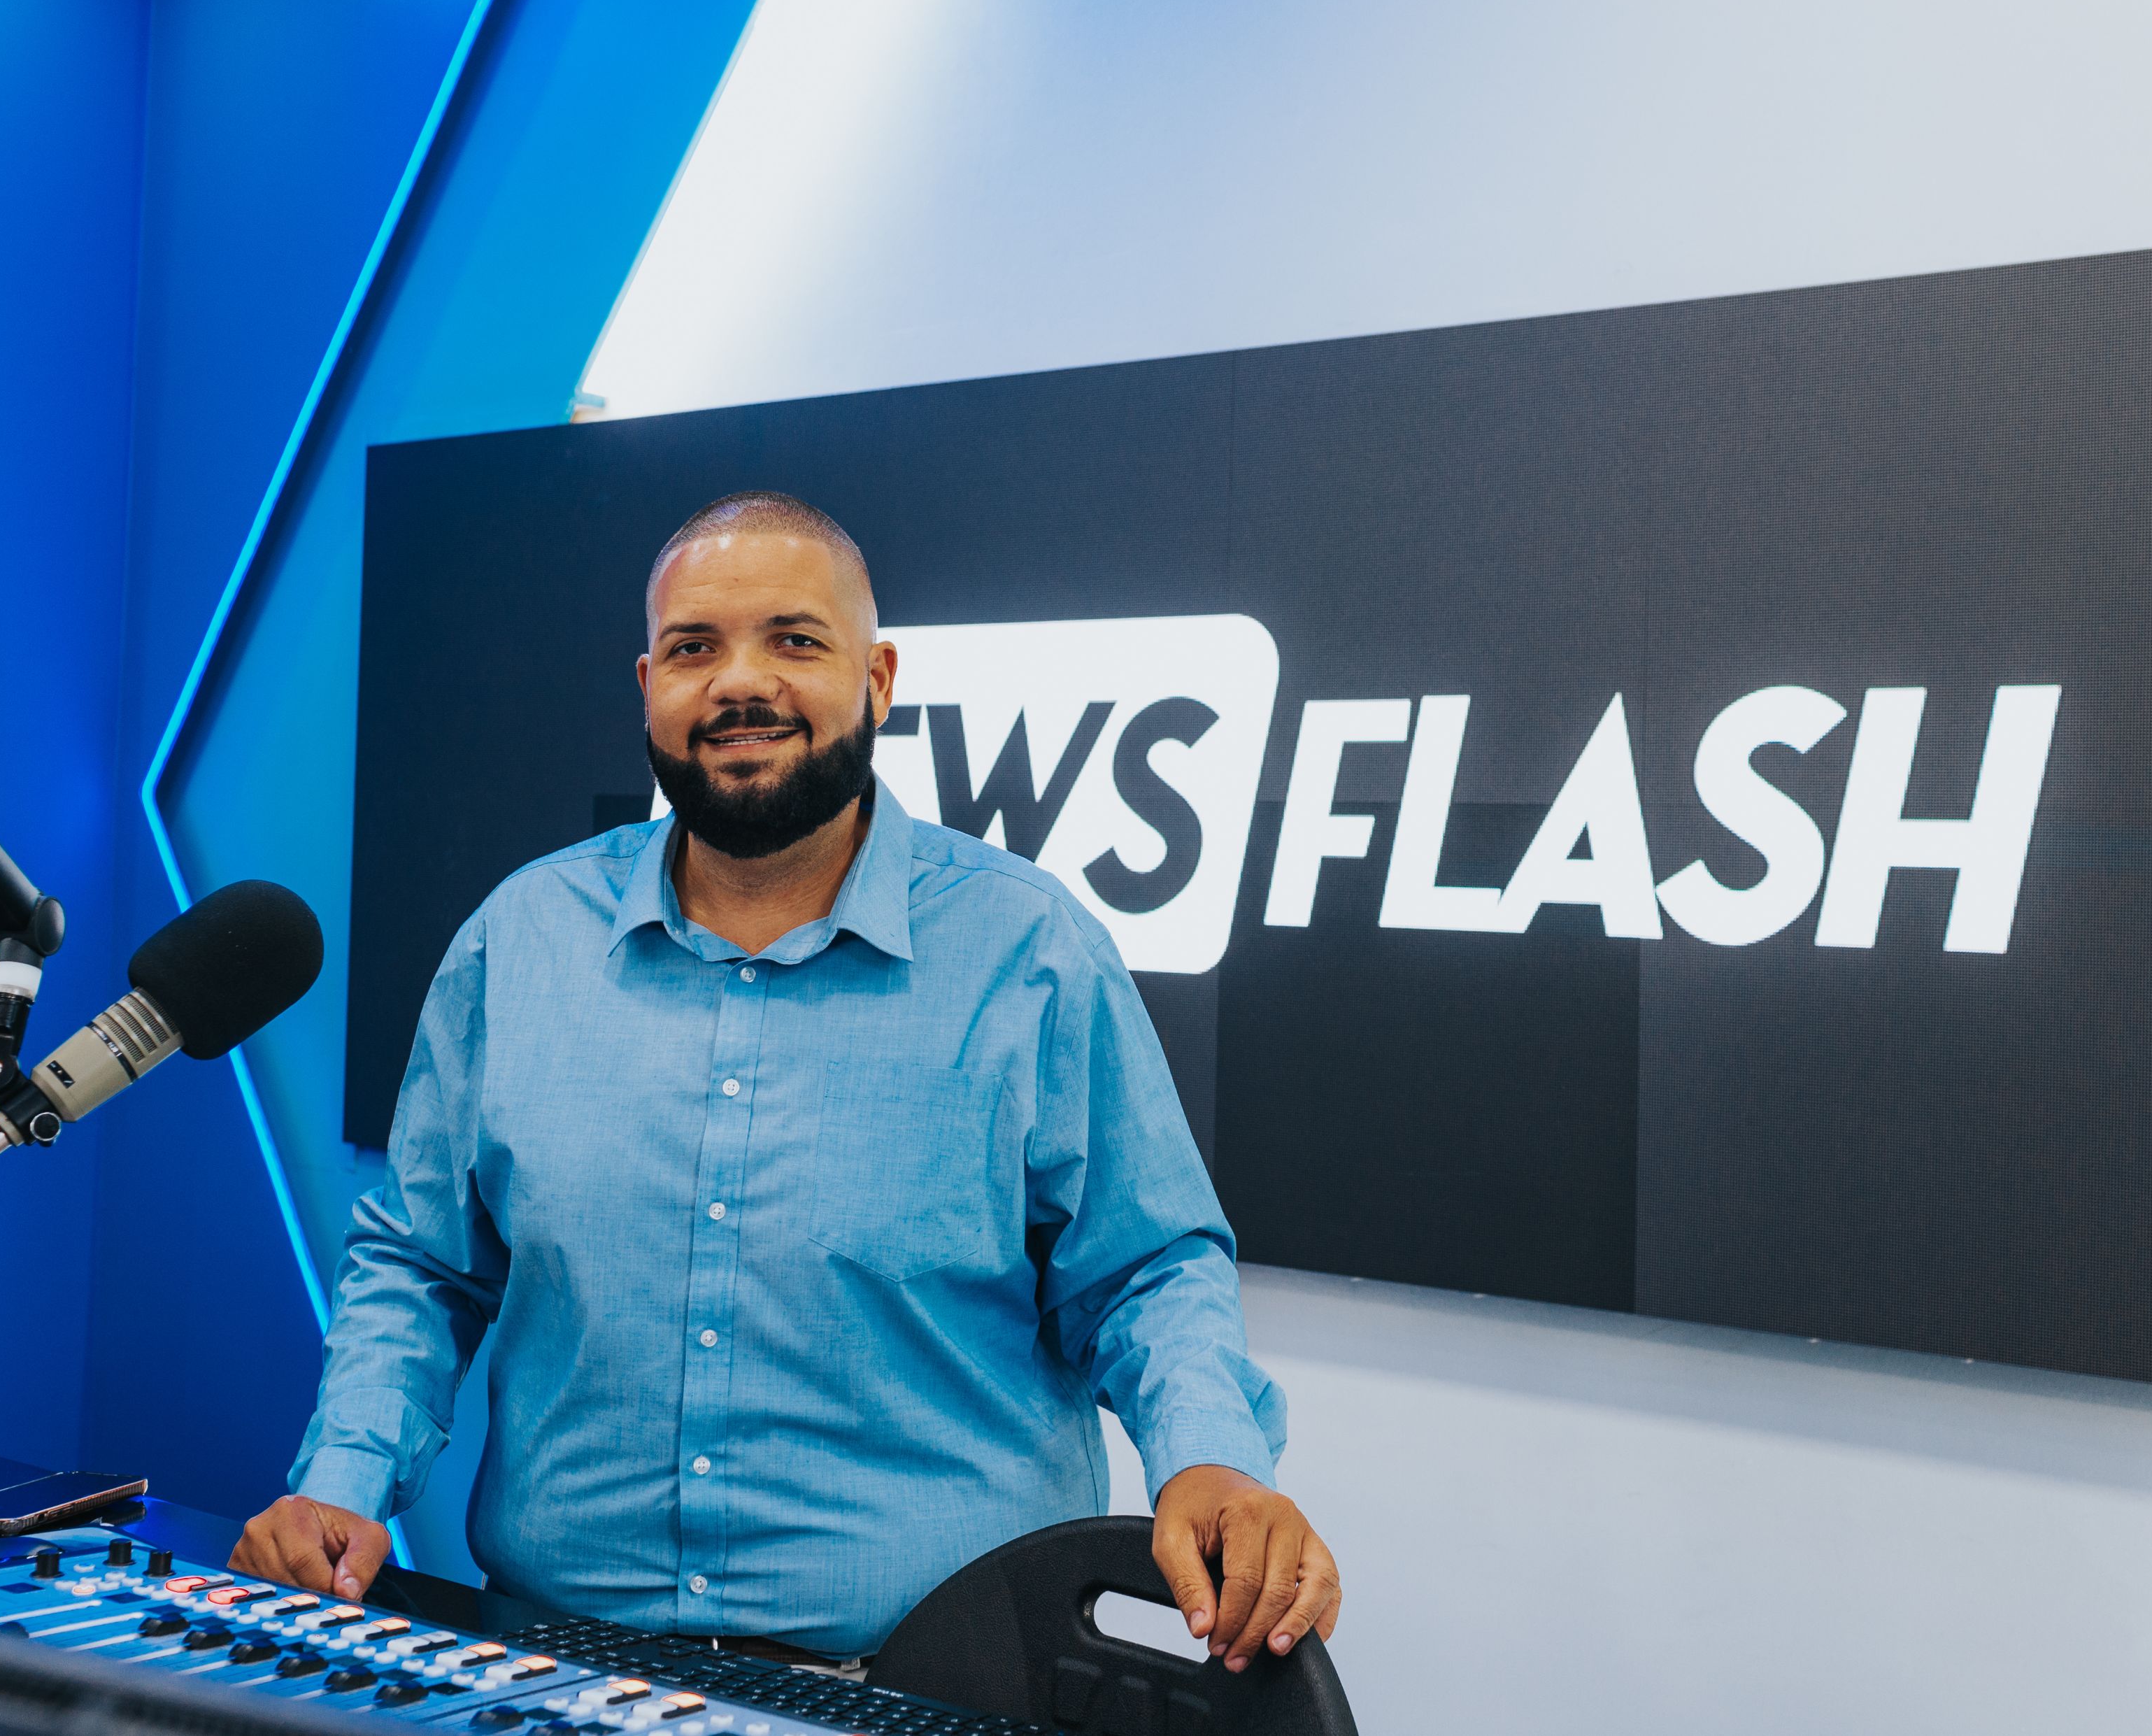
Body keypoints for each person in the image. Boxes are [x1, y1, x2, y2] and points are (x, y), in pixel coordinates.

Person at [233, 491, 1338, 1667]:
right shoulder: (521, 938)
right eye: (693, 649)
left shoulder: (1030, 952)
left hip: (931, 1686)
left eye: (795, 641)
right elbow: (422, 1261)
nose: (740, 684)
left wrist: (1211, 1459)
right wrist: (344, 1480)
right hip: (555, 1665)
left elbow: (1147, 1270)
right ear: (647, 685)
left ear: (879, 679)